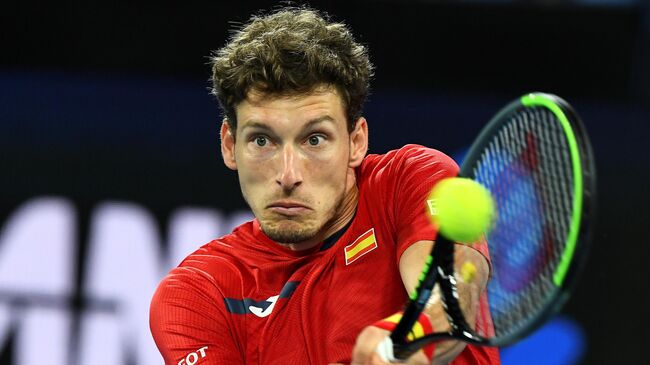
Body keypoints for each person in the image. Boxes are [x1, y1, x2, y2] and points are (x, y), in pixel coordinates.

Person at [149, 6, 500, 365]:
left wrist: (407, 340)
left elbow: (450, 295)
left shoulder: (410, 179)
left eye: (314, 139)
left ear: (356, 142)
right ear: (229, 145)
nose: (288, 175)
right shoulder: (196, 294)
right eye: (261, 140)